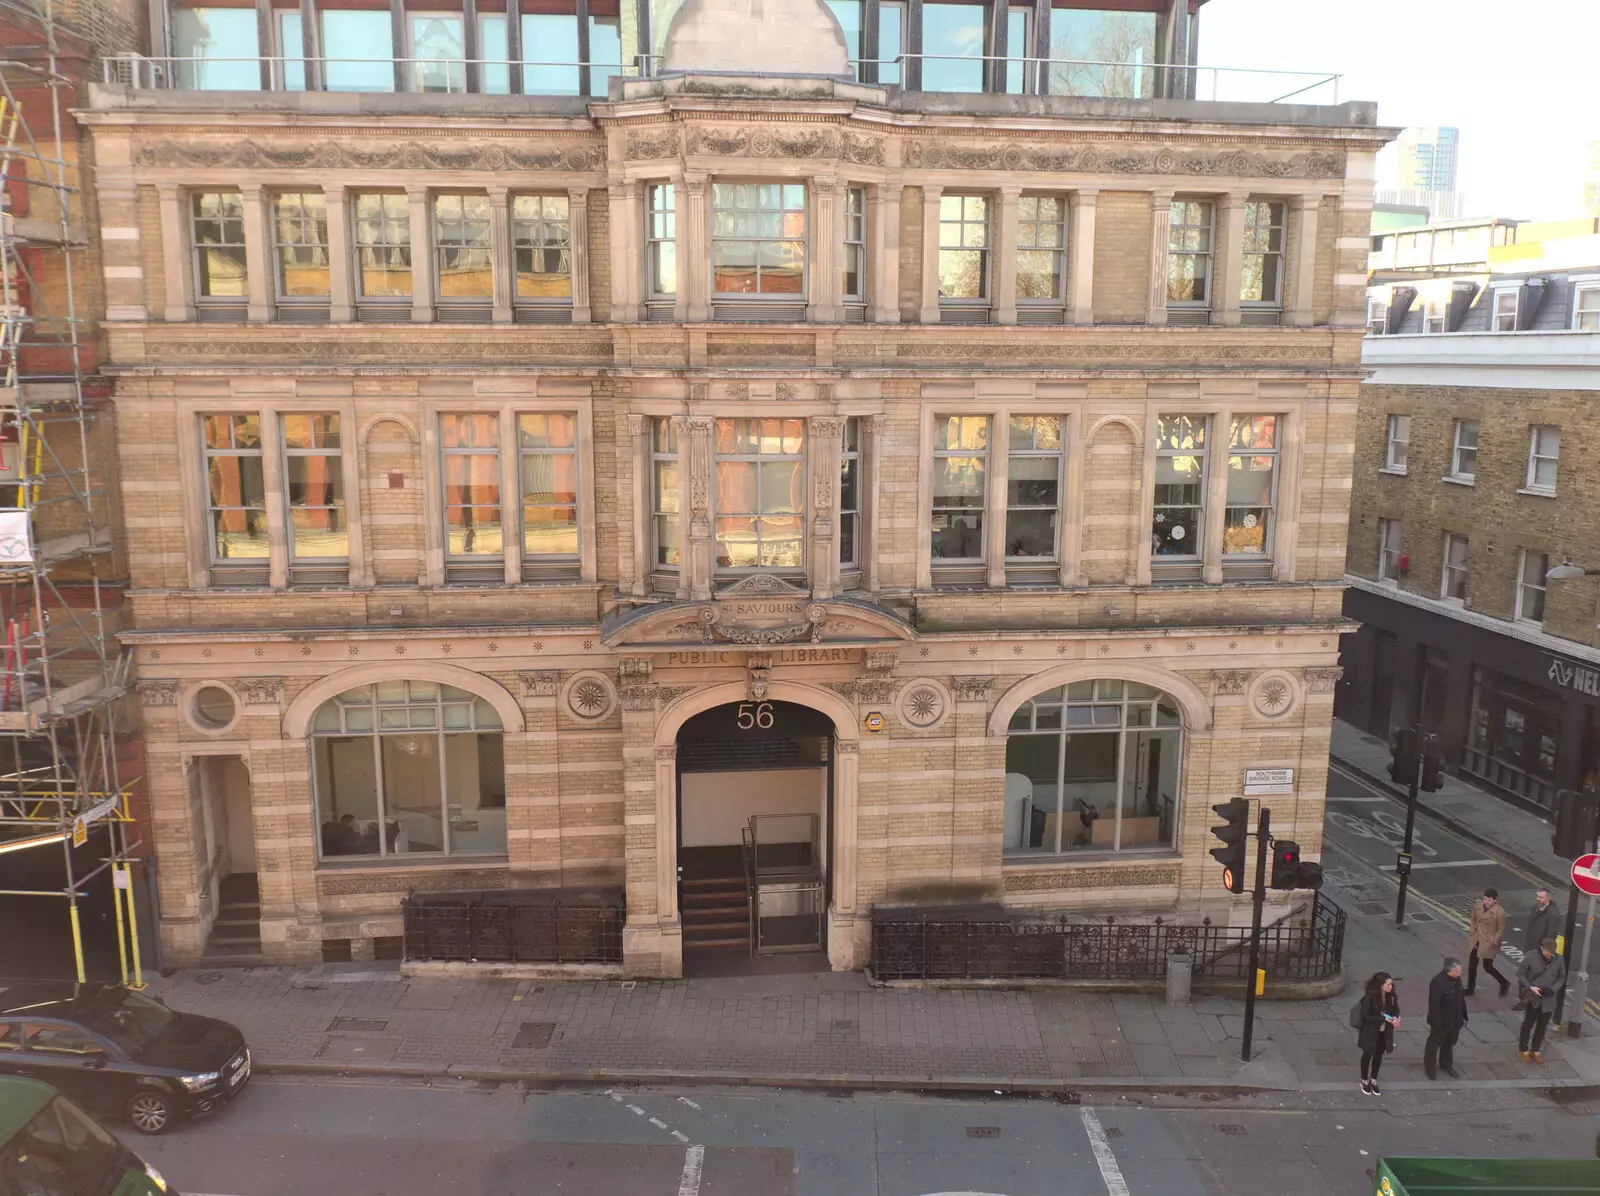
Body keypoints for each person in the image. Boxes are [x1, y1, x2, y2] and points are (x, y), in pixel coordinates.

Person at [1517, 937, 1567, 1065]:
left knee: (1542, 1026)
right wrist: (1531, 987)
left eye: (1552, 954)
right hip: (1534, 998)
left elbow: (1562, 977)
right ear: (1541, 948)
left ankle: (1536, 1049)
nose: (1550, 956)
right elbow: (1520, 974)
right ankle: (1523, 1049)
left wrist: (1553, 989)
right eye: (1547, 954)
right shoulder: (1530, 956)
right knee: (1528, 1024)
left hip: (1549, 999)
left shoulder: (1559, 959)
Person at [1516, 890, 1562, 1011]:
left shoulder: (1553, 914)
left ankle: (1526, 1001)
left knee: (1532, 977)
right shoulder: (1536, 907)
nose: (1538, 899)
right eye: (1537, 896)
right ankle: (1524, 1000)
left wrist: (1542, 951)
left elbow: (1550, 937)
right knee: (1524, 974)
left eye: (1541, 897)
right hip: (1530, 947)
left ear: (1548, 898)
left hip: (1540, 950)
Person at [1356, 971, 1400, 1095]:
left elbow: (1396, 1009)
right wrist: (1383, 1019)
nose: (1390, 987)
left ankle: (1374, 1080)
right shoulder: (1370, 997)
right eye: (1388, 985)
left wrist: (1395, 1017)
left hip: (1384, 1032)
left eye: (1391, 984)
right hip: (1371, 1031)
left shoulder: (1391, 996)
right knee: (1368, 1054)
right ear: (1380, 985)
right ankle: (1364, 1080)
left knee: (1379, 1055)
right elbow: (1366, 1015)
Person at [1425, 956, 1468, 1080]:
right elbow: (1434, 1005)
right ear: (1451, 970)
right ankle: (1430, 1068)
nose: (1460, 973)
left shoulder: (1457, 980)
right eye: (1458, 971)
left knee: (1449, 1044)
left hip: (1455, 1020)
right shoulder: (1438, 983)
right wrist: (1437, 1023)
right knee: (1434, 1044)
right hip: (1442, 1022)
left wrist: (1464, 1015)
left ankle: (1446, 1065)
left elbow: (1461, 999)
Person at [1465, 888, 1509, 998]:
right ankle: (1470, 988)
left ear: (1494, 900)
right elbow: (1473, 918)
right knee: (1472, 964)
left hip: (1489, 941)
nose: (1486, 902)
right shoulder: (1478, 906)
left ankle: (1504, 983)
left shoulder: (1499, 912)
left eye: (1489, 900)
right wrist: (1472, 930)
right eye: (1485, 898)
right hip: (1477, 938)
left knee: (1488, 967)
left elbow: (1501, 928)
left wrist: (1494, 939)